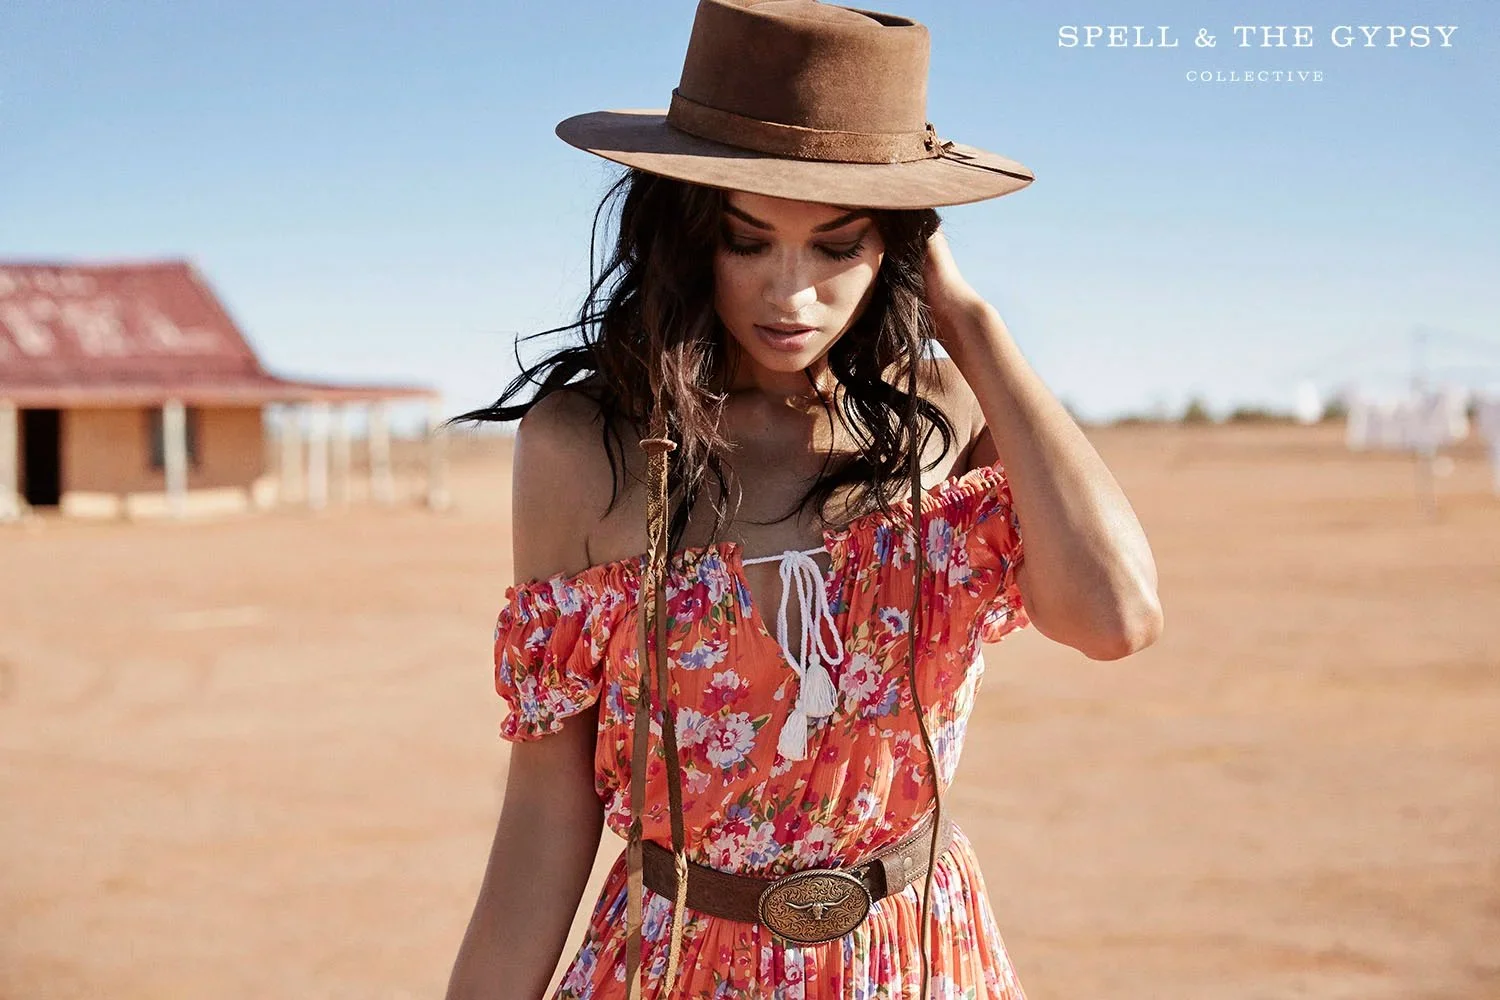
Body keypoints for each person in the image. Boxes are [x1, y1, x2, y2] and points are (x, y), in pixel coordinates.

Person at [445, 1, 1163, 997]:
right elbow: (545, 806)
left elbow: (1116, 616)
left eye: (838, 247)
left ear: (902, 246)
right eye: (749, 241)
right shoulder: (588, 444)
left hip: (912, 960)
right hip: (673, 966)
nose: (790, 296)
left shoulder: (948, 418)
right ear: (688, 233)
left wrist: (973, 324)